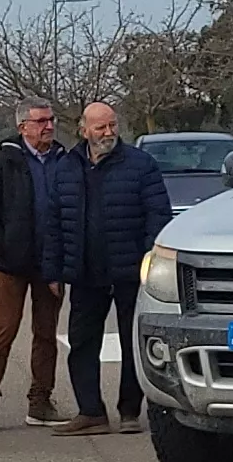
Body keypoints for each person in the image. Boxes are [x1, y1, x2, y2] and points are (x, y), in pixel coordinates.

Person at [46, 100, 171, 435]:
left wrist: (148, 263)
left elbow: (158, 217)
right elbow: (54, 223)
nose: (108, 132)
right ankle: (91, 411)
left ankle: (129, 410)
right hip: (85, 273)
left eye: (112, 125)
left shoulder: (141, 165)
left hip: (131, 273)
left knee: (133, 343)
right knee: (82, 343)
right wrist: (53, 271)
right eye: (100, 127)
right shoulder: (67, 166)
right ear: (83, 129)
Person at [0, 103, 71, 431]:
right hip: (10, 265)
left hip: (50, 263)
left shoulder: (63, 161)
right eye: (41, 121)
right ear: (23, 126)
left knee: (46, 334)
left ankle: (40, 402)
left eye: (51, 120)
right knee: (5, 330)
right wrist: (5, 247)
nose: (48, 127)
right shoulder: (3, 162)